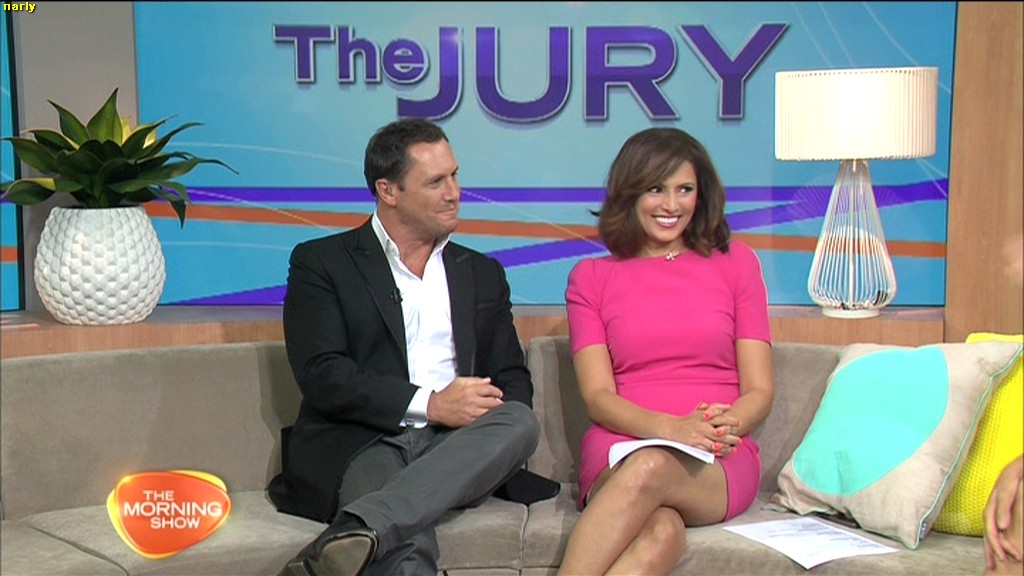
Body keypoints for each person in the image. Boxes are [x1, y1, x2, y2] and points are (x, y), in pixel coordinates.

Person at [268, 118, 541, 576]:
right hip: (365, 439)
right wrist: (431, 404)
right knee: (406, 542)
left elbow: (512, 376)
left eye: (455, 176)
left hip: (459, 444)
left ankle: (355, 530)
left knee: (520, 421)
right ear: (388, 190)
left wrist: (477, 413)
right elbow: (323, 375)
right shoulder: (322, 262)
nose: (454, 193)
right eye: (436, 182)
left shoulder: (481, 273)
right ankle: (371, 528)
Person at [558, 127, 774, 575]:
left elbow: (759, 390)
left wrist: (715, 429)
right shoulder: (590, 278)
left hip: (716, 453)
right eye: (656, 189)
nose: (671, 205)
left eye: (685, 190)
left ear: (701, 194)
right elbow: (598, 397)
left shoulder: (737, 263)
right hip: (621, 443)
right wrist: (672, 429)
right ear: (630, 193)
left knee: (652, 466)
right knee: (662, 533)